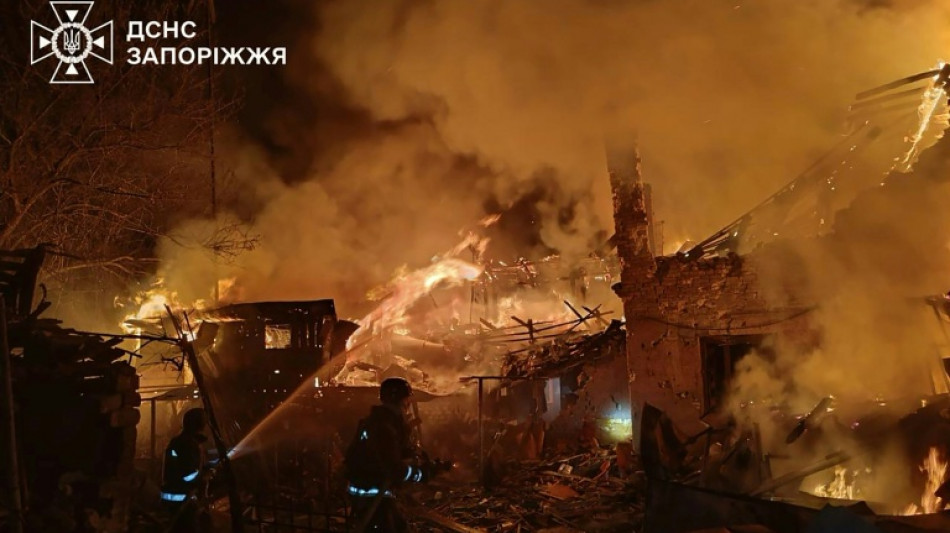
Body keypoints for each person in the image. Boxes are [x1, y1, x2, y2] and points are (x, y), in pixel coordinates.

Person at [344, 378, 432, 532]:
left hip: (366, 493)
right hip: (374, 496)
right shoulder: (384, 427)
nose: (408, 404)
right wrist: (421, 474)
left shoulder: (375, 421)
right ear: (401, 401)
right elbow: (394, 470)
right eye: (407, 399)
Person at [160, 407, 211, 532]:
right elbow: (188, 475)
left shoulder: (179, 441)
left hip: (174, 500)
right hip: (183, 501)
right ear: (198, 424)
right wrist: (204, 476)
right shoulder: (188, 444)